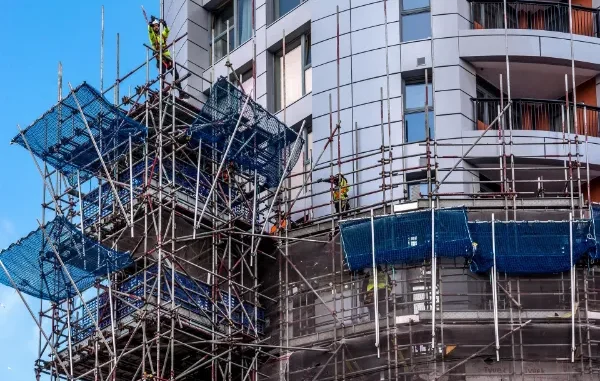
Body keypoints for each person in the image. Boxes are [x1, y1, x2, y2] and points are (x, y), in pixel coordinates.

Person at [148, 16, 187, 98]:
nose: (156, 27)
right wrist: (150, 25)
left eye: (157, 25)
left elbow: (167, 31)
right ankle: (162, 92)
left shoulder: (162, 36)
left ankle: (180, 92)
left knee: (175, 74)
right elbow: (150, 32)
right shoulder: (153, 37)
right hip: (160, 58)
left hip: (167, 57)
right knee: (162, 75)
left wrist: (165, 25)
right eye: (155, 26)